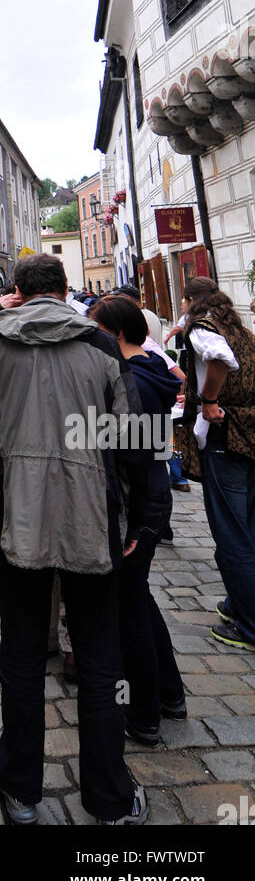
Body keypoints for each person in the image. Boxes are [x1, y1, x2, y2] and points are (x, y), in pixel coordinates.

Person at [0, 253, 148, 825]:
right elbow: (133, 442)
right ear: (66, 289)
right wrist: (142, 521)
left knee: (20, 658)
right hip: (92, 524)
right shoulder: (101, 347)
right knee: (100, 664)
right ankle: (109, 798)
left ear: (18, 291)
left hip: (22, 523)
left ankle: (20, 790)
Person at [92, 295, 186, 743]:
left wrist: (131, 523)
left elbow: (126, 454)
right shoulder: (152, 367)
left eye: (98, 333)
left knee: (129, 610)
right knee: (140, 600)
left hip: (139, 505)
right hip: (151, 496)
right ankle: (170, 694)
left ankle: (144, 714)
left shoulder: (134, 380)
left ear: (117, 334)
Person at [176, 278, 255, 652]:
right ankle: (239, 601)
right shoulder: (237, 327)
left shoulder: (203, 327)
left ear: (190, 299)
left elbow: (220, 359)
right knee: (247, 528)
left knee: (232, 534)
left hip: (225, 435)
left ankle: (250, 624)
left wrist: (208, 399)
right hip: (248, 433)